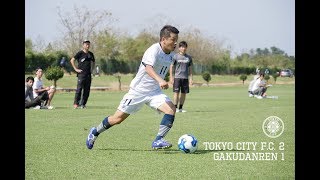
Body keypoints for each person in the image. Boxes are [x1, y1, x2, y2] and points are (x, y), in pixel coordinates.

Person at [86, 25, 179, 150]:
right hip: (138, 91)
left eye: (176, 39)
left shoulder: (171, 55)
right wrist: (160, 80)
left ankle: (158, 140)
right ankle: (95, 132)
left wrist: (164, 80)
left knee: (171, 109)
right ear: (163, 39)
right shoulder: (153, 50)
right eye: (173, 39)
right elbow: (148, 68)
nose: (175, 43)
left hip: (154, 92)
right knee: (117, 119)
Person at [70, 40, 95, 109]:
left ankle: (83, 104)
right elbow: (72, 60)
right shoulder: (80, 53)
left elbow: (93, 62)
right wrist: (75, 69)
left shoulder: (91, 54)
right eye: (86, 44)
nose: (88, 45)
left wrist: (92, 70)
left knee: (87, 90)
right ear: (83, 45)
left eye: (88, 44)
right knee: (79, 89)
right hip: (81, 74)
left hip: (88, 75)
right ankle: (76, 103)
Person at [169, 41, 193, 113]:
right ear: (179, 48)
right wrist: (171, 77)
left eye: (185, 47)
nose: (183, 48)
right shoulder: (175, 56)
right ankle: (175, 108)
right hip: (177, 78)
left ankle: (180, 108)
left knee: (183, 93)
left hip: (185, 78)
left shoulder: (189, 57)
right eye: (182, 47)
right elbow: (171, 66)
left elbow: (190, 69)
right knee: (176, 93)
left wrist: (191, 78)